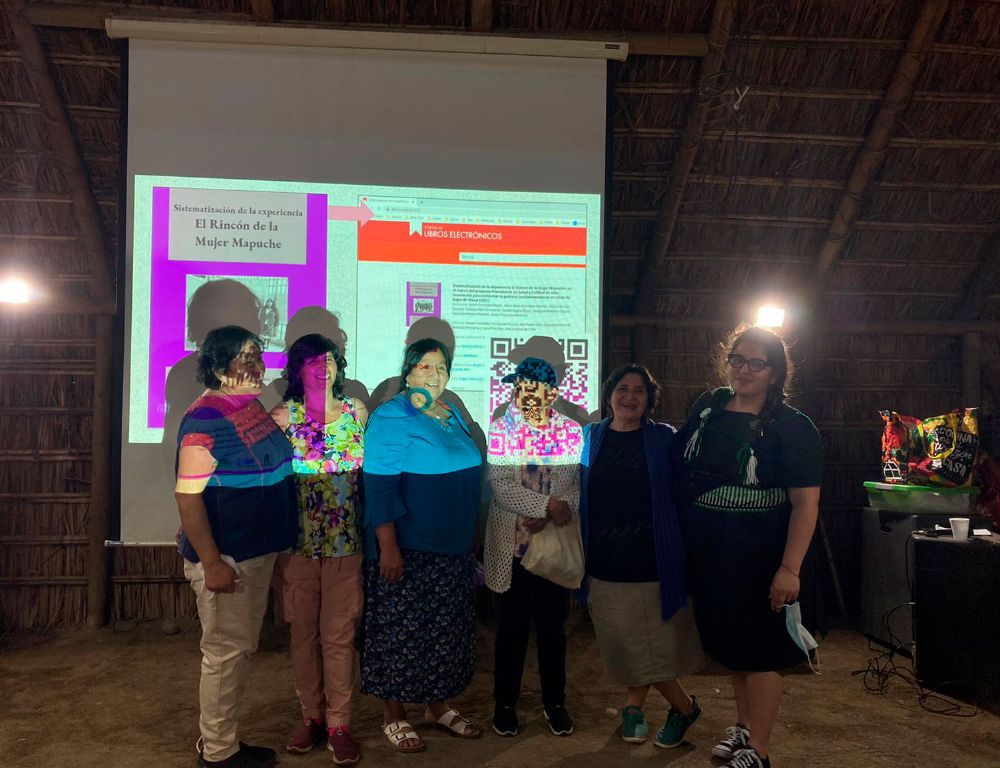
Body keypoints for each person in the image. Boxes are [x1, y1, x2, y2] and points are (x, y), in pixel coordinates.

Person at [677, 325, 823, 768]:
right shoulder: (709, 409)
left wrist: (789, 569)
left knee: (762, 650)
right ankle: (743, 727)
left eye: (756, 364)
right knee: (733, 646)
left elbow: (805, 503)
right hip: (713, 554)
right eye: (737, 360)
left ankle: (758, 749)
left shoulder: (793, 428)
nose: (743, 370)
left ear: (775, 372)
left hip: (763, 557)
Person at [175, 325, 298, 768]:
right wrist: (211, 562)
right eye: (245, 357)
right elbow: (188, 494)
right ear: (217, 366)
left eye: (258, 355)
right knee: (226, 655)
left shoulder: (249, 408)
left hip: (252, 552)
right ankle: (219, 752)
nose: (257, 365)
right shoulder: (206, 419)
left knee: (236, 651)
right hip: (228, 558)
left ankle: (218, 739)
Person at [360, 338, 484, 753]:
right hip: (410, 548)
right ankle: (394, 714)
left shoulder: (450, 413)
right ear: (408, 370)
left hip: (452, 547)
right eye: (425, 367)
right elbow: (379, 489)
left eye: (442, 368)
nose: (434, 375)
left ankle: (437, 705)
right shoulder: (391, 416)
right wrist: (388, 548)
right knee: (400, 634)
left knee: (444, 634)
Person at [580, 364, 704, 749]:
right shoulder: (590, 435)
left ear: (650, 399)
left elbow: (686, 492)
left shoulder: (664, 439)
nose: (629, 396)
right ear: (608, 394)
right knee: (624, 642)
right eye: (622, 388)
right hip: (603, 561)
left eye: (639, 390)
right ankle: (677, 707)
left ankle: (650, 708)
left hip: (652, 560)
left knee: (653, 643)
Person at [269, 334, 368, 764]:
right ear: (296, 370)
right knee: (303, 635)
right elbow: (271, 482)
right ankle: (311, 716)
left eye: (329, 360)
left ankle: (339, 724)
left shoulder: (357, 413)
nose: (322, 367)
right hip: (298, 545)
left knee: (340, 636)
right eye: (311, 361)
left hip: (347, 542)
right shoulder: (281, 417)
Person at [483, 357, 583, 738]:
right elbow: (499, 484)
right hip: (512, 548)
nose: (522, 394)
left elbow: (575, 487)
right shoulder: (501, 429)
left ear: (553, 393)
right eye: (518, 386)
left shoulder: (571, 431)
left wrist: (559, 509)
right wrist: (545, 507)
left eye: (531, 387)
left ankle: (554, 703)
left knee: (552, 628)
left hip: (552, 548)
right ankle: (504, 704)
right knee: (510, 629)